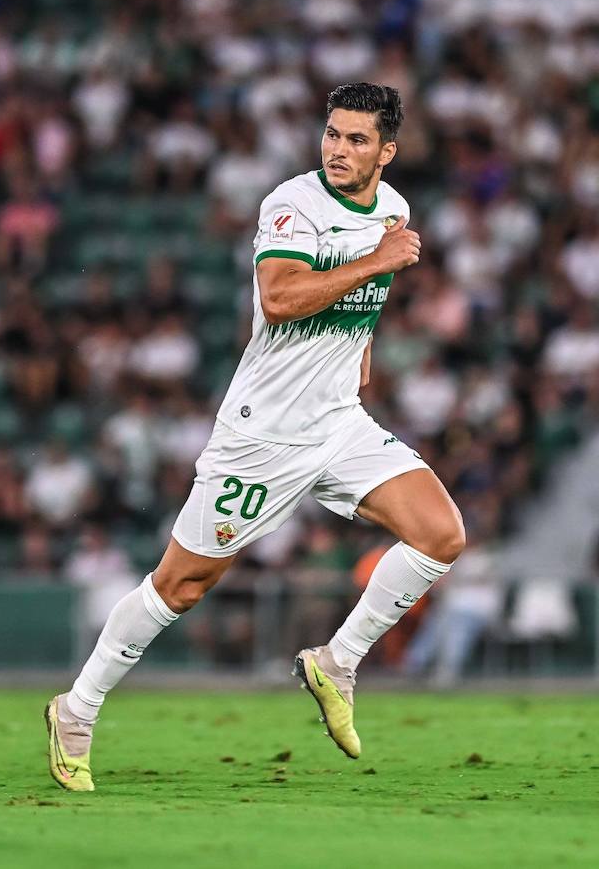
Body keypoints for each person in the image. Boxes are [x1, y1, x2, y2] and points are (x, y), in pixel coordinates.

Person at [45, 83, 465, 791]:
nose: (338, 149)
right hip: (263, 434)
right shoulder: (292, 204)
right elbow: (278, 297)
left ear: (387, 152)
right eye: (333, 133)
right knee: (181, 586)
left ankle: (337, 661)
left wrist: (362, 349)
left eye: (357, 140)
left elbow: (366, 305)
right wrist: (375, 263)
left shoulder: (393, 211)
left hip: (337, 422)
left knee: (441, 533)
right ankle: (76, 708)